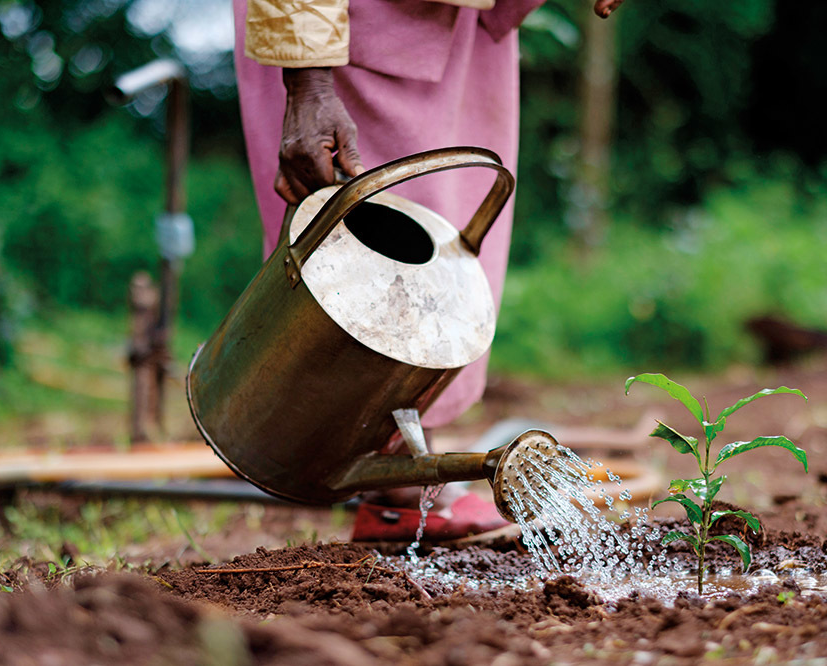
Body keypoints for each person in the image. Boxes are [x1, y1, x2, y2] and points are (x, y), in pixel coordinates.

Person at [233, 0, 623, 540]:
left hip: (464, 20)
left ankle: (400, 474)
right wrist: (308, 81)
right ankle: (388, 478)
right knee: (360, 249)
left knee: (445, 246)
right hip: (339, 27)